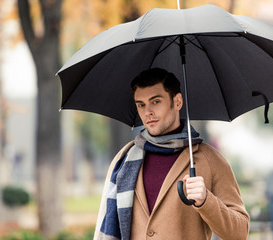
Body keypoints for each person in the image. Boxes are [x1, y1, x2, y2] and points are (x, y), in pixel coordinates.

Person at [94, 68, 249, 239]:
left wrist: (206, 201)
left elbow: (239, 233)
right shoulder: (123, 161)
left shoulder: (210, 160)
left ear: (177, 102)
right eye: (141, 105)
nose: (148, 112)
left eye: (156, 101)